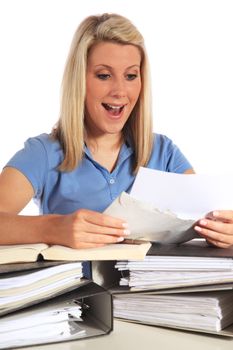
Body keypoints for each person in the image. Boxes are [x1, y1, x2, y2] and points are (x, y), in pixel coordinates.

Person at [0, 13, 232, 251]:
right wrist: (52, 228)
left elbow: (212, 218)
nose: (120, 91)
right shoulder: (44, 153)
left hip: (151, 288)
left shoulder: (164, 153)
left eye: (131, 76)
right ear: (79, 80)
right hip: (81, 289)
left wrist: (225, 230)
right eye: (104, 75)